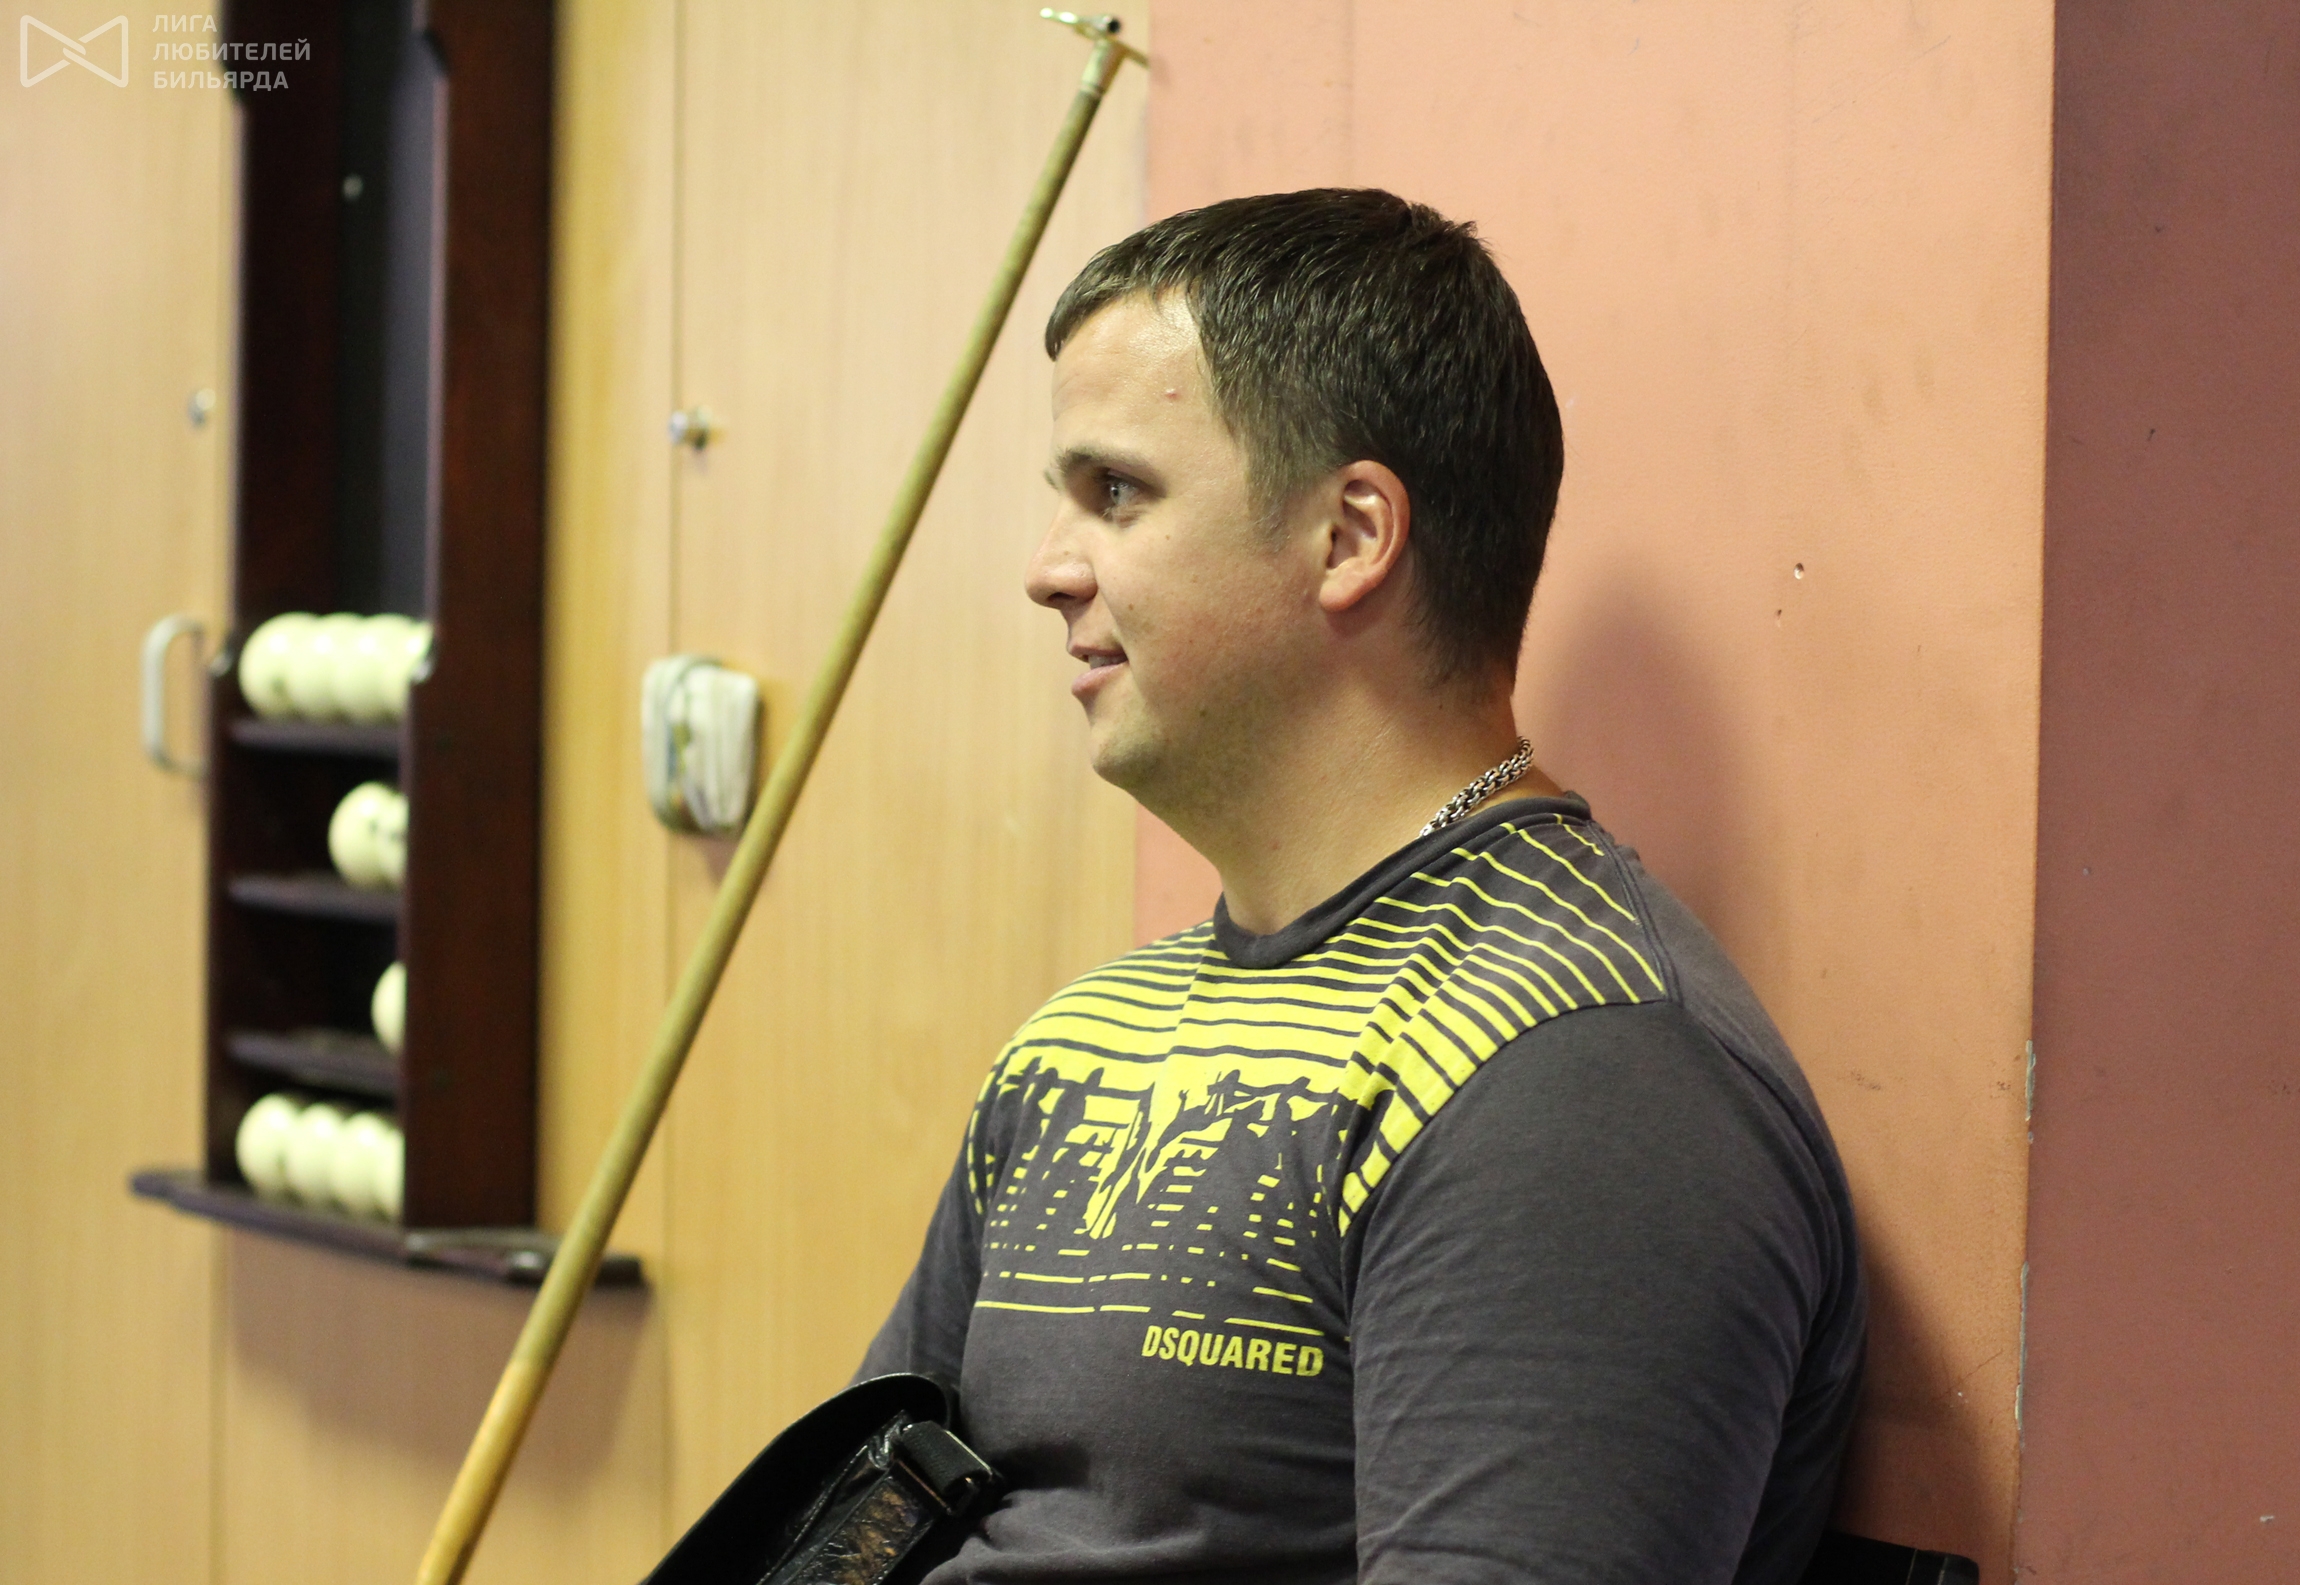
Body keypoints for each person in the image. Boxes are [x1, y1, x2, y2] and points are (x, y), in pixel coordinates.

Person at [860, 188, 1865, 1585]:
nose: (1048, 570)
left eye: (1117, 494)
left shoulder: (1582, 1073)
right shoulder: (1083, 1041)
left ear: (1349, 536)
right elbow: (854, 1537)